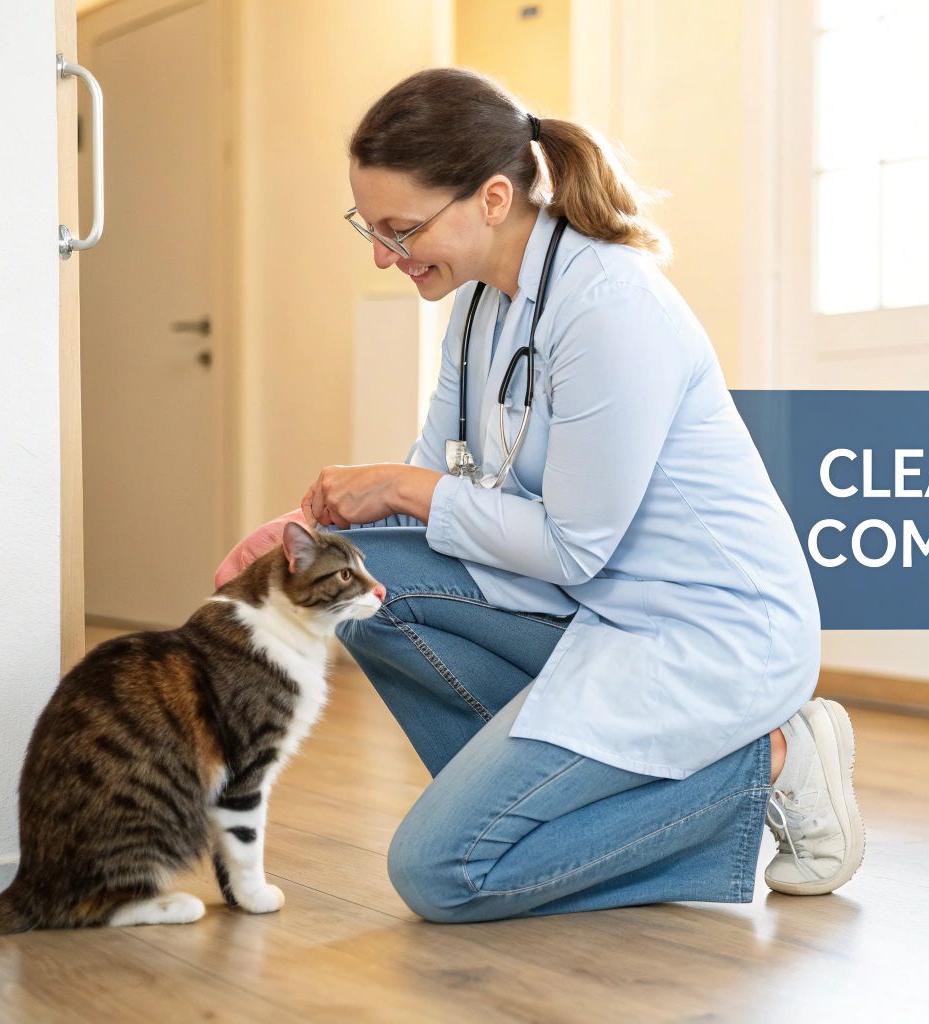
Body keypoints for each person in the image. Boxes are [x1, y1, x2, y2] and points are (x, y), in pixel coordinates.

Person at [215, 67, 863, 922]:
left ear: (491, 197)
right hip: (592, 612)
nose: (384, 255)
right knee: (367, 592)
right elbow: (427, 491)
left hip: (709, 633)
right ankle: (549, 807)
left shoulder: (611, 307)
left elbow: (568, 543)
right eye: (368, 230)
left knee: (443, 875)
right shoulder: (481, 306)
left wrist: (402, 486)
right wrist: (297, 536)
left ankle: (773, 759)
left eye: (401, 230)